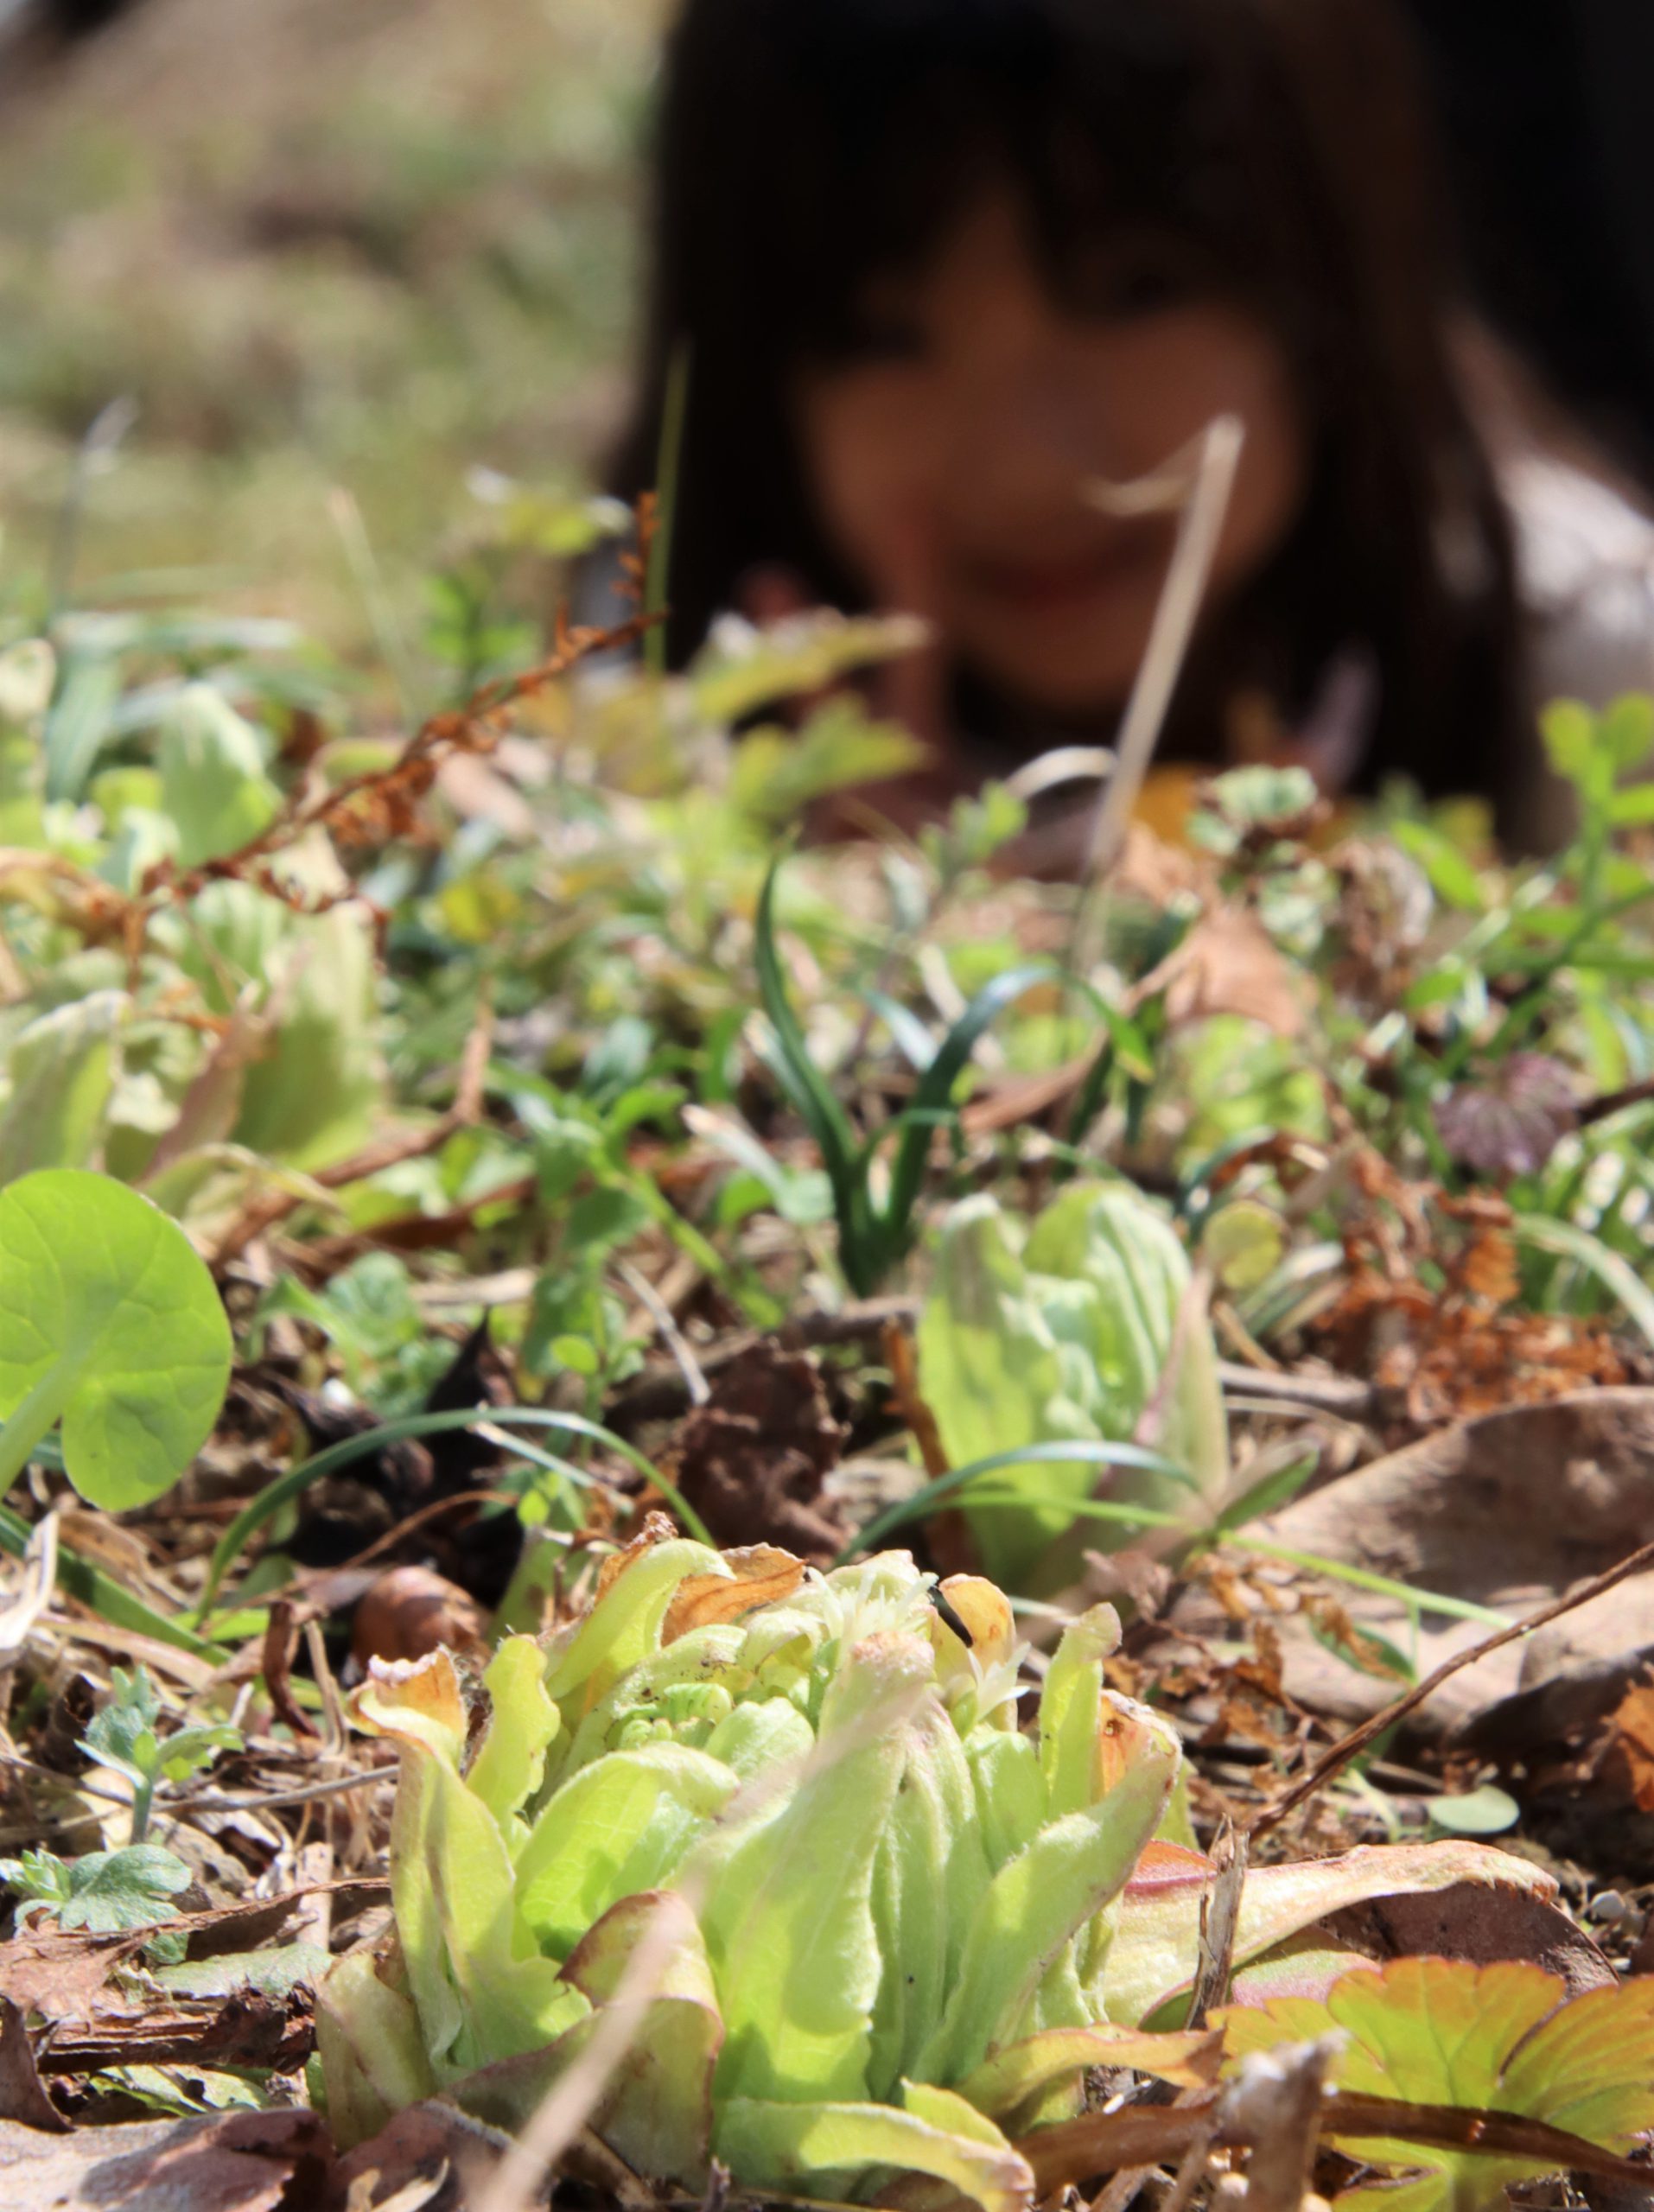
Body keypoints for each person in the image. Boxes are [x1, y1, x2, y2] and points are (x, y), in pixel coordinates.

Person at [603, 0, 1654, 860]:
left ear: (1329, 268)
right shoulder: (642, 708)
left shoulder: (1596, 681)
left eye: (1132, 293)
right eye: (882, 338)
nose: (1026, 471)